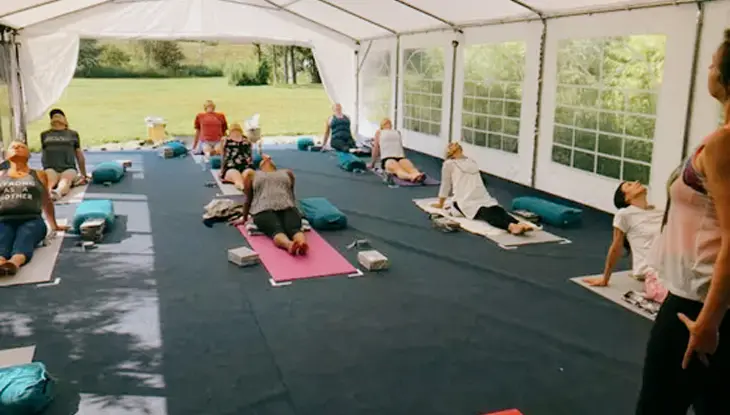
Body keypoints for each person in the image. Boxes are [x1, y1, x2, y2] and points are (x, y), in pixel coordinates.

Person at [633, 30, 730, 415]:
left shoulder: (723, 146)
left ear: (724, 78)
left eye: (711, 64)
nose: (707, 69)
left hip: (697, 307)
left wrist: (708, 322)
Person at [583, 181, 668, 304]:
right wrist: (605, 278)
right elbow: (616, 246)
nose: (637, 182)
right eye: (629, 185)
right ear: (626, 198)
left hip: (669, 263)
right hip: (650, 269)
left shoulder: (660, 212)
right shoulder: (624, 214)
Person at [432, 142, 531, 235]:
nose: (454, 143)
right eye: (451, 145)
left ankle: (518, 223)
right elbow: (446, 185)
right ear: (450, 153)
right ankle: (510, 226)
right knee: (485, 211)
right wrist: (441, 203)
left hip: (480, 196)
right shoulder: (448, 164)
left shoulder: (471, 161)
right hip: (463, 200)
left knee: (496, 208)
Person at [0, 141, 67, 276]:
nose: (17, 148)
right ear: (6, 155)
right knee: (3, 238)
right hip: (3, 219)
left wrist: (54, 225)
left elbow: (46, 201)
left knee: (26, 236)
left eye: (21, 147)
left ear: (29, 155)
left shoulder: (39, 174)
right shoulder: (1, 174)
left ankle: (14, 262)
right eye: (13, 147)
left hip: (31, 219)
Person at [237, 155, 308, 255]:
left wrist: (244, 218)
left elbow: (248, 199)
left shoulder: (286, 173)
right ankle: (297, 243)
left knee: (280, 230)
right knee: (289, 229)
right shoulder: (286, 173)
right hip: (279, 208)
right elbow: (291, 196)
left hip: (270, 209)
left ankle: (294, 244)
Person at [40, 108, 87, 201]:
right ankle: (48, 193)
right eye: (53, 116)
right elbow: (44, 153)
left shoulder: (72, 134)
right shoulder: (44, 135)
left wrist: (83, 174)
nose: (56, 117)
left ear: (65, 120)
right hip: (51, 168)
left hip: (68, 167)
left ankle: (58, 192)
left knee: (65, 181)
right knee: (50, 180)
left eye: (59, 115)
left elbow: (79, 154)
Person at [369, 118, 425, 183]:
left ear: (381, 126)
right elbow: (400, 147)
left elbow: (376, 149)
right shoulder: (397, 132)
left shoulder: (379, 132)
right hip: (401, 157)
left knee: (398, 170)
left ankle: (411, 177)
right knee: (412, 169)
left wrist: (372, 164)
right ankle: (417, 175)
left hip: (388, 159)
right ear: (391, 125)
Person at [220, 123, 254, 191]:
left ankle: (243, 187)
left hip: (235, 167)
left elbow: (223, 157)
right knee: (240, 176)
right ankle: (244, 187)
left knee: (242, 177)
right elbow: (250, 156)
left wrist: (222, 170)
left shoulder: (225, 140)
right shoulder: (225, 140)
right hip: (240, 167)